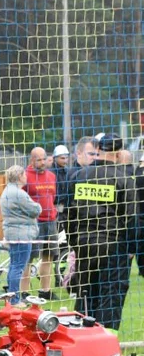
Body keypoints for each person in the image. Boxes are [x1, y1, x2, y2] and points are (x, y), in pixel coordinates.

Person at [65, 133, 136, 332]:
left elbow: (69, 215)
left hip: (84, 245)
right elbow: (131, 219)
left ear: (99, 150)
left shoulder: (79, 176)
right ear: (119, 153)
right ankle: (106, 348)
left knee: (86, 296)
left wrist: (75, 244)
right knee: (111, 296)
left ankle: (81, 341)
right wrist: (131, 249)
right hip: (113, 246)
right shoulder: (123, 179)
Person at [0, 165, 41, 306]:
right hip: (21, 234)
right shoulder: (18, 193)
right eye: (24, 174)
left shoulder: (7, 191)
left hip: (12, 233)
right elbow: (35, 209)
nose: (26, 177)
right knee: (18, 267)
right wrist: (38, 206)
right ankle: (15, 299)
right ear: (19, 176)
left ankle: (11, 297)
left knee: (14, 266)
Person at [21, 147, 58, 300]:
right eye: (39, 160)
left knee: (48, 256)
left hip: (51, 221)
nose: (42, 162)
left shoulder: (51, 176)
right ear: (32, 160)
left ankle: (45, 291)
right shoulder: (24, 176)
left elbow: (53, 196)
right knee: (28, 258)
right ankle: (24, 293)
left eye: (44, 159)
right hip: (32, 223)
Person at [52, 144, 72, 216]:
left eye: (66, 158)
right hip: (54, 205)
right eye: (62, 158)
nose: (65, 160)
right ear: (55, 158)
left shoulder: (67, 171)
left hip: (65, 205)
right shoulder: (51, 172)